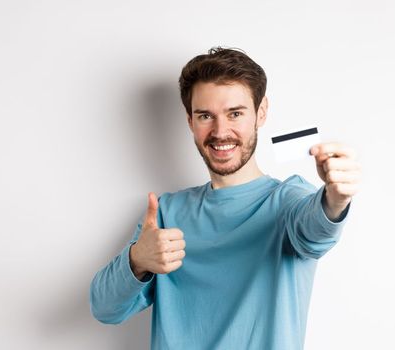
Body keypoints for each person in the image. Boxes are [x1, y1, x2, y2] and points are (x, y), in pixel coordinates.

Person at [89, 46, 362, 349]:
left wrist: (335, 200)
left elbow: (314, 233)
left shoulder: (289, 201)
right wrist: (137, 259)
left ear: (261, 112)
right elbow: (105, 309)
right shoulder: (166, 213)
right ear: (190, 121)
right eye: (205, 115)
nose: (220, 132)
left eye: (235, 113)